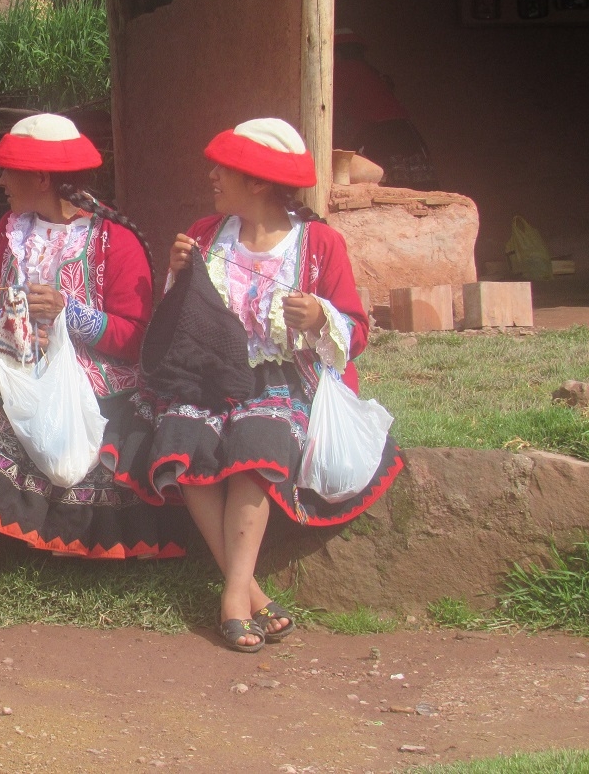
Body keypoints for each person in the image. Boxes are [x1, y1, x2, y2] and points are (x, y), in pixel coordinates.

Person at [0, 113, 189, 638]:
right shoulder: (9, 233)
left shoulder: (115, 242)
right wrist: (8, 323)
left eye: (8, 172)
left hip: (93, 387)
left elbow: (137, 338)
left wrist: (71, 314)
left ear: (41, 178)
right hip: (17, 369)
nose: (0, 183)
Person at [114, 118, 403, 652]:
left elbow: (356, 331)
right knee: (183, 435)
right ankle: (250, 592)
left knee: (258, 442)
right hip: (208, 369)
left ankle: (230, 597)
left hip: (281, 374)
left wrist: (318, 315)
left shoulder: (320, 244)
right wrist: (178, 274)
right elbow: (181, 318)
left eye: (224, 169)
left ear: (259, 182)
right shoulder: (204, 234)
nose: (212, 176)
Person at [332, 29, 439, 190]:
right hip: (405, 132)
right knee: (416, 186)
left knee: (385, 185)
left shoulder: (342, 71)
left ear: (337, 52)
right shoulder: (371, 71)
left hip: (378, 134)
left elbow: (333, 107)